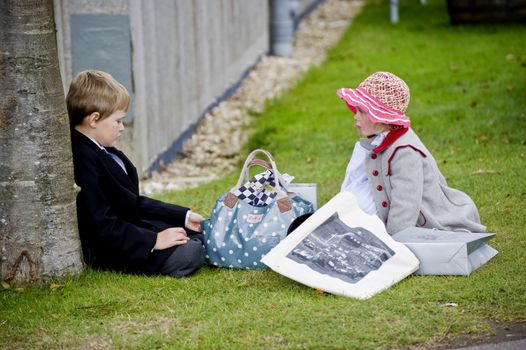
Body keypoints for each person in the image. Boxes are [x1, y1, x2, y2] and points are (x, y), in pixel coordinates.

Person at [66, 70, 205, 277]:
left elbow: (133, 202)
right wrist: (154, 240)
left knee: (197, 232)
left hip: (131, 227)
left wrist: (182, 216)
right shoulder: (81, 158)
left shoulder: (104, 150)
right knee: (190, 252)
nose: (122, 128)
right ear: (94, 119)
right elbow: (99, 223)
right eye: (118, 121)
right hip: (115, 244)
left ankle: (195, 241)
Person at [337, 71, 486, 235]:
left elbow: (405, 206)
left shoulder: (405, 152)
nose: (355, 116)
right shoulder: (378, 139)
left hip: (425, 224)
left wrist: (393, 245)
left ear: (379, 117)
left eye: (361, 112)